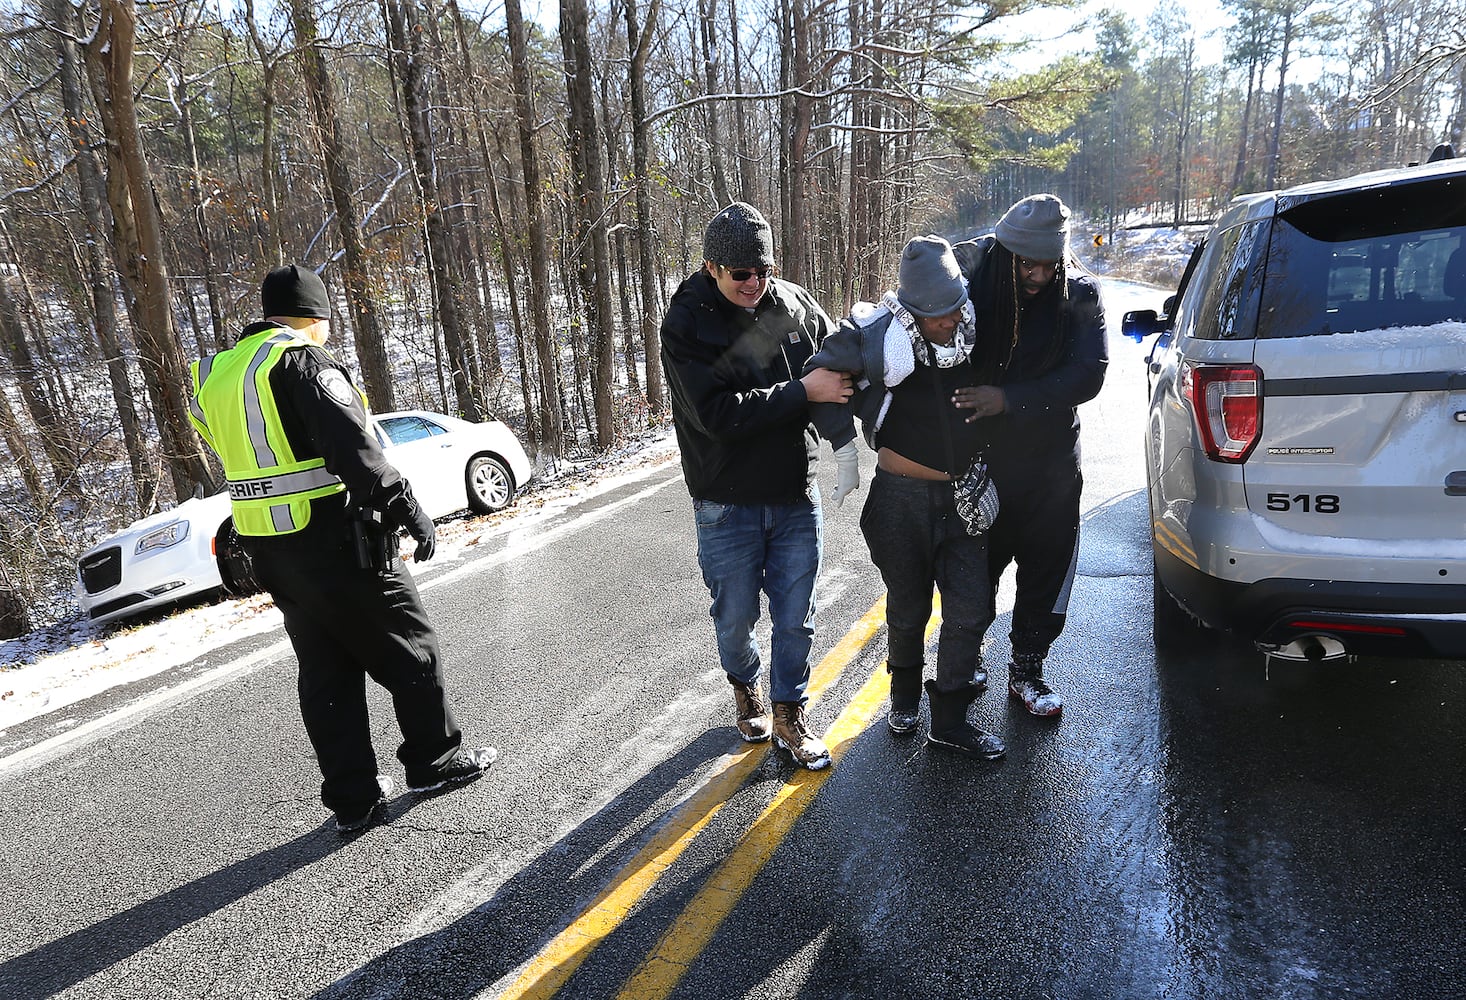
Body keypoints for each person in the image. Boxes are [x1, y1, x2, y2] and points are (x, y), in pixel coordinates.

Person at [189, 264, 495, 835]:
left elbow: (240, 450)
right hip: (335, 536)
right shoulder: (300, 359)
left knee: (326, 671)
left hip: (271, 547)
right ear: (316, 317)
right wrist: (409, 510)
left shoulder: (216, 373)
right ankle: (436, 760)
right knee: (411, 645)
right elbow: (353, 448)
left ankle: (354, 800)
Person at [661, 202, 855, 771]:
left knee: (796, 616)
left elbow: (836, 370)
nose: (755, 283)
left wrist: (848, 443)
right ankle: (744, 686)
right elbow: (715, 415)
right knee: (736, 617)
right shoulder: (687, 322)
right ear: (711, 267)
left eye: (763, 271)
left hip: (795, 491)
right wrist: (803, 393)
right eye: (740, 273)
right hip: (725, 500)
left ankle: (790, 714)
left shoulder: (792, 305)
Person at [806, 235, 1005, 759]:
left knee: (971, 609)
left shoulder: (976, 326)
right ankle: (903, 697)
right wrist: (845, 447)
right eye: (934, 316)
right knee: (909, 605)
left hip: (965, 493)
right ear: (910, 311)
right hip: (899, 499)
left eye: (953, 310)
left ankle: (951, 719)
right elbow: (815, 377)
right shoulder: (875, 336)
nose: (948, 323)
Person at [950, 194, 1108, 717]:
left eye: (1048, 265)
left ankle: (1028, 667)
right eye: (1027, 264)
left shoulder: (1081, 293)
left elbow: (1090, 374)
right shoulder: (973, 276)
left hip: (1051, 464)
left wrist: (1009, 398)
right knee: (975, 570)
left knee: (1046, 569)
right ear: (1006, 250)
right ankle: (969, 654)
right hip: (985, 462)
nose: (1038, 275)